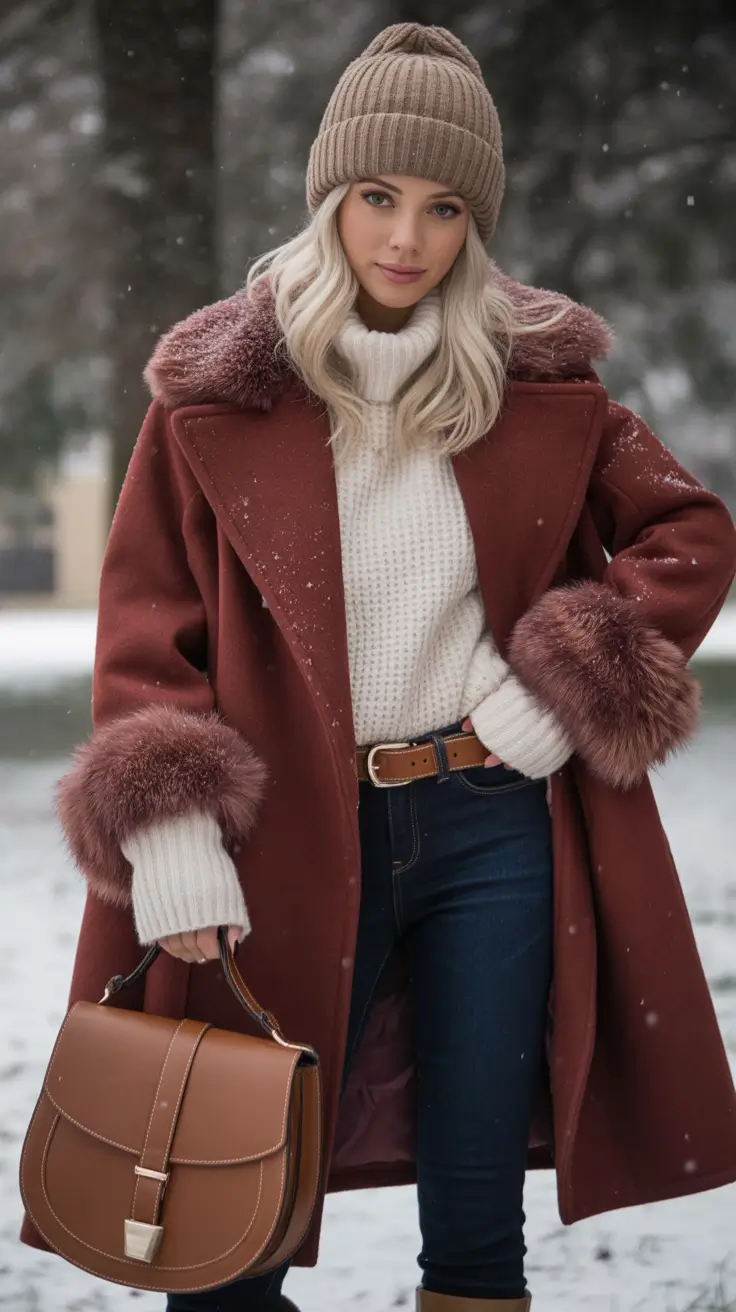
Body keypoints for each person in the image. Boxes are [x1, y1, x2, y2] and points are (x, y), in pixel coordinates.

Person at [22, 20, 736, 1312]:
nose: (407, 237)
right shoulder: (213, 399)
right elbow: (147, 636)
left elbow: (689, 532)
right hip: (287, 834)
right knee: (226, 1239)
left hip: (492, 828)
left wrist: (557, 690)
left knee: (475, 1234)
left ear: (478, 219)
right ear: (328, 197)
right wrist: (171, 840)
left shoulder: (541, 379)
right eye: (377, 198)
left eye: (445, 205)